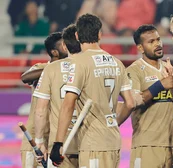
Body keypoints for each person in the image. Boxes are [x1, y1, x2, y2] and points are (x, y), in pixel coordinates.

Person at [49, 13, 135, 168]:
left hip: (93, 142)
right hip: (113, 141)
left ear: (76, 35)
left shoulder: (79, 63)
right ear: (100, 35)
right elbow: (130, 103)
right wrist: (112, 124)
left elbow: (68, 104)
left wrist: (58, 143)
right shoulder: (117, 63)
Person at [125, 24, 173, 168]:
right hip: (146, 144)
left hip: (171, 144)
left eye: (158, 40)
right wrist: (160, 85)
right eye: (151, 42)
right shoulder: (134, 70)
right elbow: (134, 101)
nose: (157, 44)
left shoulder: (168, 68)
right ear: (140, 48)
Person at [33, 24, 81, 168]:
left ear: (65, 46)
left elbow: (40, 110)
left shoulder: (51, 69)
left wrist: (39, 141)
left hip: (59, 144)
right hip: (89, 141)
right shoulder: (89, 66)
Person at [20, 32, 68, 168]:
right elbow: (25, 78)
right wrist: (52, 69)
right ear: (54, 52)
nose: (67, 47)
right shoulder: (41, 67)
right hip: (34, 136)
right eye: (63, 45)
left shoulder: (71, 69)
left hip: (56, 136)